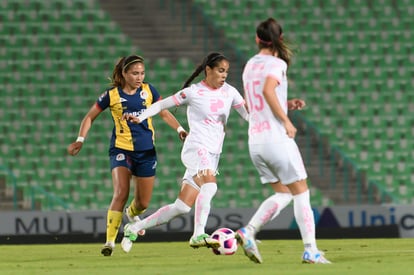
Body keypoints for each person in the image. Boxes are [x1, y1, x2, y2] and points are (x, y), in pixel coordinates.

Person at [120, 52, 249, 252]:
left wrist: (275, 119)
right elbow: (162, 105)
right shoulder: (193, 92)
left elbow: (248, 115)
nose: (224, 75)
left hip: (213, 153)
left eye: (226, 72)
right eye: (221, 71)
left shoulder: (230, 92)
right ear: (209, 70)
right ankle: (198, 234)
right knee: (211, 187)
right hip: (197, 147)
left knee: (181, 207)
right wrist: (141, 117)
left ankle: (134, 227)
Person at [67, 55, 187, 256]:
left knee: (143, 204)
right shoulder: (111, 95)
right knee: (121, 192)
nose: (139, 77)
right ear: (124, 74)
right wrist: (80, 139)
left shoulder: (149, 91)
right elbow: (90, 116)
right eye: (135, 73)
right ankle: (109, 242)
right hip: (121, 150)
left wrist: (180, 130)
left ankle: (131, 214)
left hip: (147, 151)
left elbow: (164, 112)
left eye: (142, 73)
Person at [235, 18, 331, 264]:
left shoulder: (249, 65)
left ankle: (248, 231)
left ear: (257, 39)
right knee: (301, 194)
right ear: (280, 37)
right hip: (276, 139)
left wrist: (286, 105)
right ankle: (310, 250)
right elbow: (268, 91)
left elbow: (254, 101)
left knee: (285, 194)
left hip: (255, 141)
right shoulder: (276, 63)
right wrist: (286, 121)